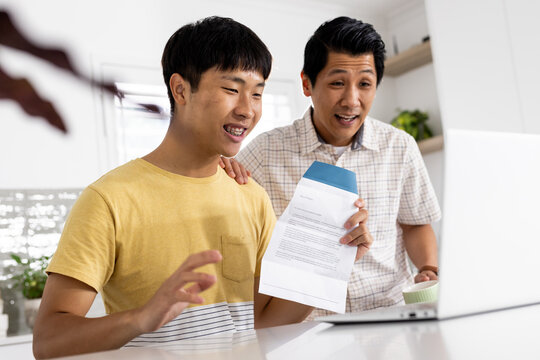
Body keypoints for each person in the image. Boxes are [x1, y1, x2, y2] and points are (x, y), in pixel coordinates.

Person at [32, 17, 313, 359]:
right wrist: (142, 318)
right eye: (231, 89)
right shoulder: (109, 200)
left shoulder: (250, 195)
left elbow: (260, 323)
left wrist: (327, 267)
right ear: (180, 89)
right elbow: (48, 341)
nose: (247, 110)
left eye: (257, 93)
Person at [224, 16, 442, 318]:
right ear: (306, 83)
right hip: (307, 323)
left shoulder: (400, 147)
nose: (351, 100)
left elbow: (415, 222)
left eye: (364, 84)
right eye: (337, 83)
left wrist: (429, 269)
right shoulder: (262, 154)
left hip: (388, 312)